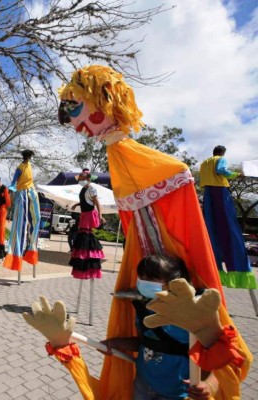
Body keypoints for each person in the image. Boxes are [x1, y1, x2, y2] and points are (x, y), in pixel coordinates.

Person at [28, 64, 251, 398]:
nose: (74, 123)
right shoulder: (119, 164)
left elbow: (221, 361)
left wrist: (208, 384)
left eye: (75, 108)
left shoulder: (155, 167)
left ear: (103, 103)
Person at [102, 255, 219, 400]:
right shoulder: (143, 309)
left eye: (151, 278)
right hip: (143, 386)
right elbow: (144, 343)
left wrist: (209, 386)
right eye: (141, 277)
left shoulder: (194, 314)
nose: (143, 282)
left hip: (179, 393)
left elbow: (221, 359)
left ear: (174, 282)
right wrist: (115, 343)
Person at [199, 146, 256, 289]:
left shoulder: (205, 163)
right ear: (223, 153)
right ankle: (238, 270)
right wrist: (235, 175)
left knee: (211, 227)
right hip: (219, 191)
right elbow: (221, 171)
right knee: (228, 225)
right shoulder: (220, 159)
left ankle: (215, 270)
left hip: (208, 194)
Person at [3, 149, 41, 271]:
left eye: (29, 156)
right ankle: (16, 256)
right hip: (22, 194)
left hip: (31, 192)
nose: (27, 158)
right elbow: (14, 181)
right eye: (26, 156)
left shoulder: (29, 165)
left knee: (37, 218)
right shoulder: (20, 167)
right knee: (20, 225)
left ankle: (31, 249)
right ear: (24, 156)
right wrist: (10, 190)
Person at [69, 171, 105, 279]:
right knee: (82, 233)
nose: (80, 180)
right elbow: (85, 200)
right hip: (84, 213)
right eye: (80, 178)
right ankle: (83, 255)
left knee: (86, 234)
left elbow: (96, 203)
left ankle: (88, 255)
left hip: (89, 214)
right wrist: (76, 204)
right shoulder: (83, 189)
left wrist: (100, 215)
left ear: (88, 179)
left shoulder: (91, 189)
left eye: (82, 178)